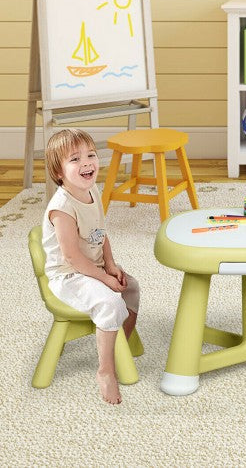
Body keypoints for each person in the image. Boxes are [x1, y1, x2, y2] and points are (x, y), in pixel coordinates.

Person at [42, 129, 140, 404]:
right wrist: (104, 279)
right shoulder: (62, 208)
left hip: (93, 266)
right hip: (69, 275)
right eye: (75, 159)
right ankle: (105, 370)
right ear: (59, 172)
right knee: (110, 302)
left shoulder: (91, 190)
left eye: (91, 156)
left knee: (131, 287)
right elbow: (72, 258)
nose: (86, 163)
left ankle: (120, 344)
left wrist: (110, 264)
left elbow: (100, 232)